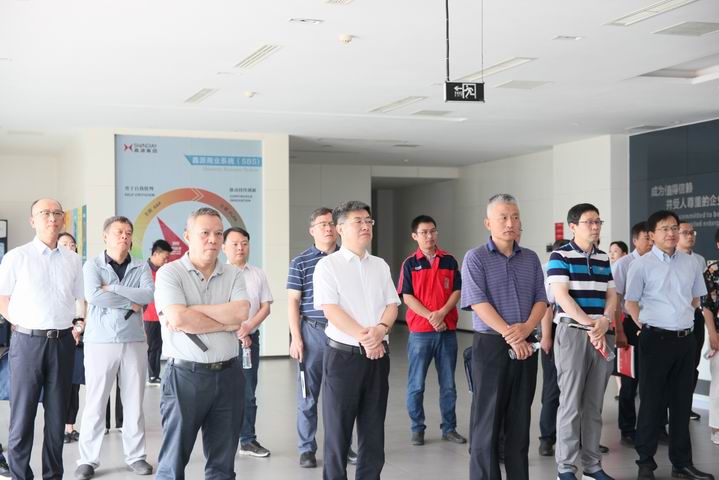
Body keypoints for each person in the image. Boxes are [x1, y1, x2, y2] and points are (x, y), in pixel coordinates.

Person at [154, 207, 250, 480]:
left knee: (223, 464)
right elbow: (178, 318)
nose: (213, 239)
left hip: (229, 376)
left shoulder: (233, 274)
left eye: (218, 234)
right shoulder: (170, 273)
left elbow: (241, 312)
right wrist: (225, 323)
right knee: (173, 461)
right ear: (187, 236)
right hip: (185, 376)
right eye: (205, 233)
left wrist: (193, 311)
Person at [460, 194, 547, 480]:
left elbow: (541, 300)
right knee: (487, 422)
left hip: (526, 344)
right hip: (492, 346)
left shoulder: (530, 258)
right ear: (488, 223)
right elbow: (477, 302)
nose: (511, 223)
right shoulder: (475, 257)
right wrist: (513, 336)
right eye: (503, 218)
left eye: (515, 217)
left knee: (520, 421)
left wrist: (526, 329)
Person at [313, 200, 400, 480]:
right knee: (338, 433)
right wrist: (367, 338)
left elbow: (392, 304)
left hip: (378, 358)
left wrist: (381, 330)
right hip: (344, 358)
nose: (366, 226)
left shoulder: (380, 265)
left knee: (373, 432)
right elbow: (331, 309)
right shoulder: (328, 266)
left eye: (368, 221)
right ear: (339, 228)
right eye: (358, 221)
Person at [625, 210, 714, 480]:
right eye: (664, 228)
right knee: (651, 403)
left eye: (674, 227)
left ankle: (682, 463)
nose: (671, 233)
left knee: (681, 403)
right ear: (651, 235)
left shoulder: (691, 263)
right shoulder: (641, 265)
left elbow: (697, 299)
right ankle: (645, 463)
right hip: (655, 340)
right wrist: (647, 325)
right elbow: (630, 302)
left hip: (685, 340)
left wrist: (678, 317)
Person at [0, 198, 84, 480]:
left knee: (57, 416)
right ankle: (20, 475)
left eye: (57, 213)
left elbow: (79, 299)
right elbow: (2, 298)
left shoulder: (73, 260)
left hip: (62, 343)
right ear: (32, 220)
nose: (52, 218)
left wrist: (78, 324)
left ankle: (53, 475)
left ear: (63, 219)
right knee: (22, 416)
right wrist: (21, 322)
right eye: (45, 213)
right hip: (27, 343)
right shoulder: (17, 257)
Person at [75, 216, 155, 480]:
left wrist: (114, 288)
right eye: (119, 231)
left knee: (134, 402)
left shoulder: (141, 266)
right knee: (95, 403)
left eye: (128, 232)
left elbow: (148, 295)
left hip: (134, 340)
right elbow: (94, 295)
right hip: (100, 341)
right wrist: (130, 302)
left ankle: (137, 456)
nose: (124, 236)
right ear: (105, 236)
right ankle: (87, 460)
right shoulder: (92, 265)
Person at [547, 203, 616, 480]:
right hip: (574, 333)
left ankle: (592, 466)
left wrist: (606, 321)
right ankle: (565, 467)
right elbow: (561, 296)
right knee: (571, 404)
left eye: (598, 221)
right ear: (573, 227)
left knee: (594, 405)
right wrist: (591, 324)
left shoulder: (603, 257)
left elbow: (611, 295)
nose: (596, 226)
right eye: (589, 222)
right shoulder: (560, 255)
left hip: (601, 333)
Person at [287, 207, 357, 468]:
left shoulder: (348, 259)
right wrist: (296, 338)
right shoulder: (300, 261)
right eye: (322, 224)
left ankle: (342, 446)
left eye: (331, 224)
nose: (328, 228)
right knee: (308, 394)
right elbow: (293, 302)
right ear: (312, 230)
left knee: (342, 395)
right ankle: (307, 449)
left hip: (343, 333)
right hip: (313, 332)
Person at [397, 214, 465, 446]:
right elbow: (407, 297)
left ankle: (449, 428)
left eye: (433, 231)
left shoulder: (449, 260)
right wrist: (432, 317)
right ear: (414, 236)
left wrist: (442, 313)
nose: (429, 236)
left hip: (447, 332)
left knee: (449, 385)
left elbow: (457, 291)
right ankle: (417, 429)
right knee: (416, 385)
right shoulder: (409, 264)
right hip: (420, 334)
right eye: (424, 232)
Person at [222, 227, 273, 458]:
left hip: (250, 340)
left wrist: (248, 327)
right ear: (224, 247)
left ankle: (247, 440)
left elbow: (265, 306)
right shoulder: (218, 274)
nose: (240, 248)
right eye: (234, 244)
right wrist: (235, 328)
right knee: (221, 392)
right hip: (222, 338)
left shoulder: (257, 274)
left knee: (248, 391)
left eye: (244, 243)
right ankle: (223, 441)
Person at [611, 222, 657, 447]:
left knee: (654, 380)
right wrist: (619, 331)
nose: (650, 243)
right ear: (635, 240)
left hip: (655, 325)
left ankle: (655, 427)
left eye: (652, 238)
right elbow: (616, 300)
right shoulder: (624, 264)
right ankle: (628, 428)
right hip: (629, 326)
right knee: (629, 380)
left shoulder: (657, 261)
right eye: (646, 238)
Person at [538, 238, 569, 457]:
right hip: (554, 330)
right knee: (552, 387)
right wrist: (547, 336)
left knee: (576, 389)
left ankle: (576, 437)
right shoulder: (547, 270)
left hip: (575, 330)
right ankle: (547, 438)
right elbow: (546, 308)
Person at [677, 221, 711, 422]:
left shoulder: (699, 260)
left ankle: (685, 406)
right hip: (675, 317)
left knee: (693, 363)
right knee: (675, 365)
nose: (690, 236)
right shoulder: (671, 259)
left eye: (692, 233)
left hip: (695, 315)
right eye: (685, 233)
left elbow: (703, 292)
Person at [57, 232, 86, 445]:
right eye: (64, 244)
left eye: (72, 244)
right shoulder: (52, 272)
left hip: (76, 338)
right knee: (57, 386)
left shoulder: (80, 272)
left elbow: (83, 306)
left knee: (74, 385)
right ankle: (57, 427)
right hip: (56, 336)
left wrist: (78, 329)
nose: (69, 247)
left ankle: (70, 427)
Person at [144, 239, 172, 385]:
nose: (166, 261)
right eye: (164, 258)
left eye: (168, 258)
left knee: (158, 346)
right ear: (155, 254)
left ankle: (154, 375)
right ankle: (151, 376)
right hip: (147, 315)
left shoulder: (164, 271)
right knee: (150, 346)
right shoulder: (143, 269)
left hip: (161, 315)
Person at [706, 228, 719, 445]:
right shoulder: (712, 271)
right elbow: (706, 305)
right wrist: (712, 333)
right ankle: (717, 428)